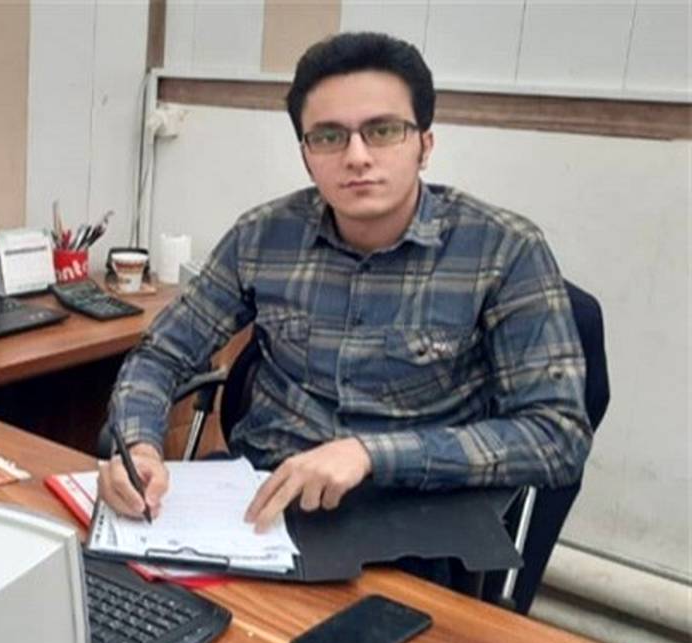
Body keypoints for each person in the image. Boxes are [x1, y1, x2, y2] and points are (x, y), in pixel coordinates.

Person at [100, 31, 592, 536]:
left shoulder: (503, 250)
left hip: (416, 516)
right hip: (262, 503)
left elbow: (556, 437)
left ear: (424, 145)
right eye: (329, 137)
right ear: (306, 154)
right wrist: (137, 447)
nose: (356, 156)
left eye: (383, 131)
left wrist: (369, 454)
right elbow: (161, 355)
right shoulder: (262, 237)